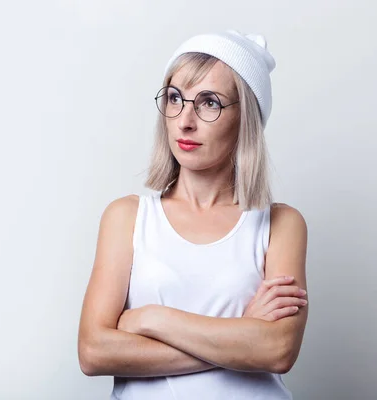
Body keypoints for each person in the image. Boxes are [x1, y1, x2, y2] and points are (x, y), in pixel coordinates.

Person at [77, 29, 309, 399]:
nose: (185, 120)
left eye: (209, 103)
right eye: (175, 99)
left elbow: (277, 350)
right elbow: (93, 352)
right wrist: (243, 334)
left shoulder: (280, 225)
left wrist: (151, 319)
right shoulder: (127, 218)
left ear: (246, 118)